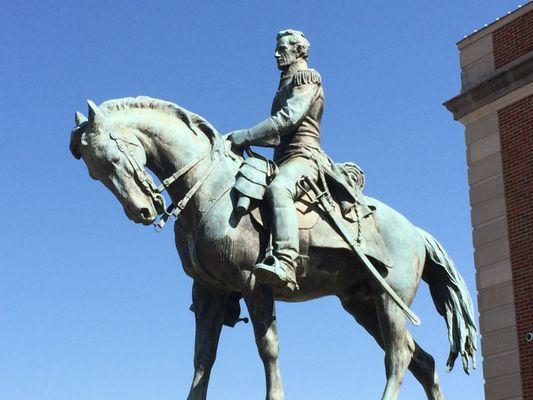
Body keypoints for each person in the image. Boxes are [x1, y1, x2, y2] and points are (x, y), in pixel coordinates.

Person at [227, 29, 332, 290]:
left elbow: (287, 120)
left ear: (298, 50)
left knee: (278, 188)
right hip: (282, 160)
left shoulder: (307, 77)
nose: (276, 54)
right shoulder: (285, 82)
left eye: (282, 48)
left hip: (305, 157)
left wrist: (246, 135)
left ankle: (285, 260)